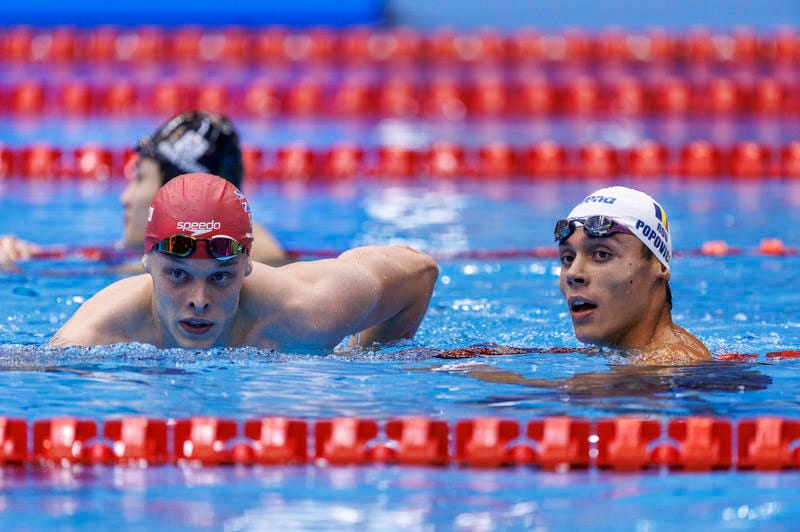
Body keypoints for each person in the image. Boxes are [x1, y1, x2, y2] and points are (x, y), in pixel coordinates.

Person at [49, 172, 439, 352]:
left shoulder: (308, 310)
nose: (199, 299)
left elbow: (418, 271)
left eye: (220, 277)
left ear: (247, 265)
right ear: (146, 263)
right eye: (177, 275)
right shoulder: (92, 338)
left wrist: (365, 359)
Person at [0, 111, 287, 271]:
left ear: (179, 193)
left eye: (139, 179)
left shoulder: (254, 247)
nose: (124, 198)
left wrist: (30, 269)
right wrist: (35, 256)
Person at [554, 185, 710, 365]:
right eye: (567, 258)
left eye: (602, 254)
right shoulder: (639, 352)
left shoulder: (667, 365)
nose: (573, 273)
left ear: (659, 266)